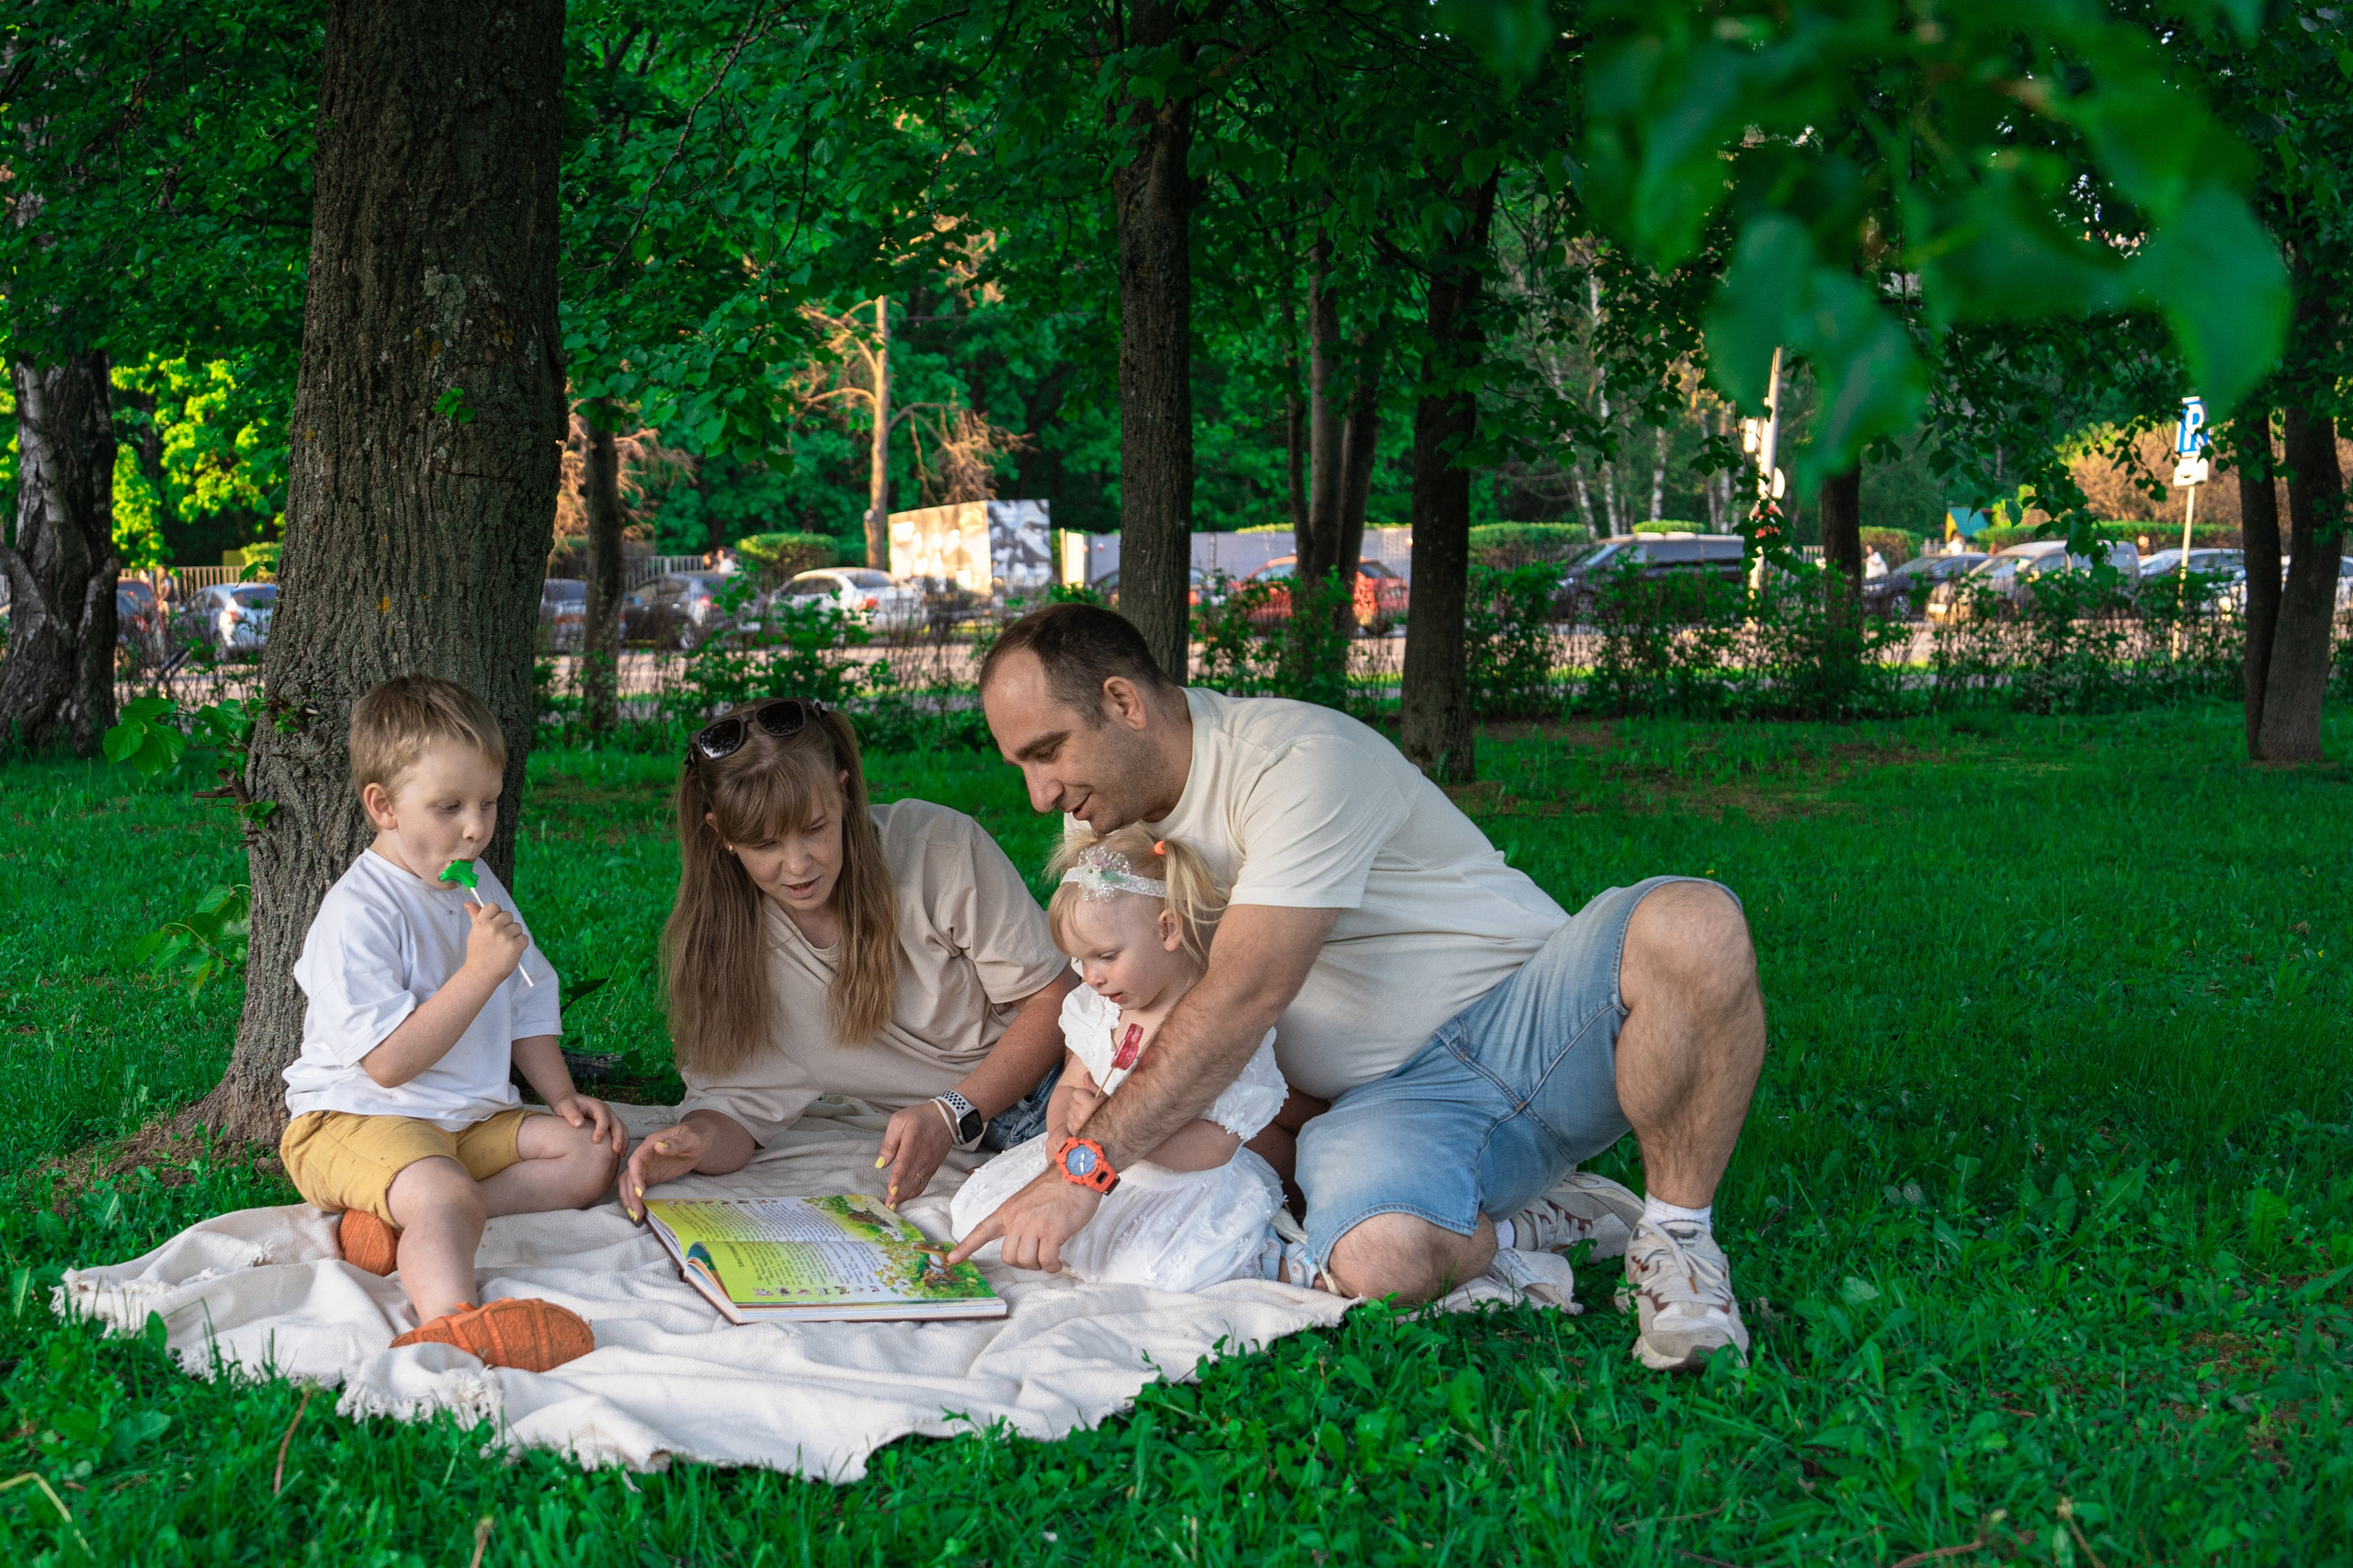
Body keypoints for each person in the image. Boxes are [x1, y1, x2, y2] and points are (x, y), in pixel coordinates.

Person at [950, 605, 1768, 1371]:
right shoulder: (1107, 819)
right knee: (1380, 1263)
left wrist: (1082, 1173)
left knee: (1692, 921)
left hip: (1535, 1027)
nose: (1040, 794)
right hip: (1386, 1107)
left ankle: (1678, 1239)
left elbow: (1240, 999)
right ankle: (1548, 1219)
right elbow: (1135, 995)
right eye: (1022, 765)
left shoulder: (1296, 763)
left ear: (1123, 702)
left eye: (1048, 752)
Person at [278, 675, 625, 1372]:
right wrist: (476, 974)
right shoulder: (359, 913)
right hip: (357, 1117)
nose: (476, 827)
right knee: (446, 1192)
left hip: (464, 1119)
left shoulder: (477, 881)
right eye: (449, 807)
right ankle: (452, 1321)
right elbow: (387, 1064)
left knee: (591, 1157)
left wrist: (561, 1096)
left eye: (488, 803)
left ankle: (399, 1221)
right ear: (383, 807)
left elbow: (528, 998)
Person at [620, 698, 1077, 1218]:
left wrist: (952, 1113)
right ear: (722, 833)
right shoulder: (727, 948)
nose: (798, 865)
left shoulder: (936, 847)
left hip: (1072, 1077)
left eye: (815, 828)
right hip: (995, 1140)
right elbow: (736, 1110)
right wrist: (694, 1144)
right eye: (765, 844)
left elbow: (1054, 999)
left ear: (843, 792)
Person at [949, 825, 1289, 1290]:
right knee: (976, 1212)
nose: (1091, 977)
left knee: (1158, 1272)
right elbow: (1071, 1082)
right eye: (1081, 961)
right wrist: (1059, 1136)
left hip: (1176, 1183)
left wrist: (1120, 1136)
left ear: (1168, 929)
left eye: (1106, 956)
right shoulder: (1100, 1010)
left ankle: (1268, 1254)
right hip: (1082, 1167)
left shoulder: (1218, 1027)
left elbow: (1217, 1145)